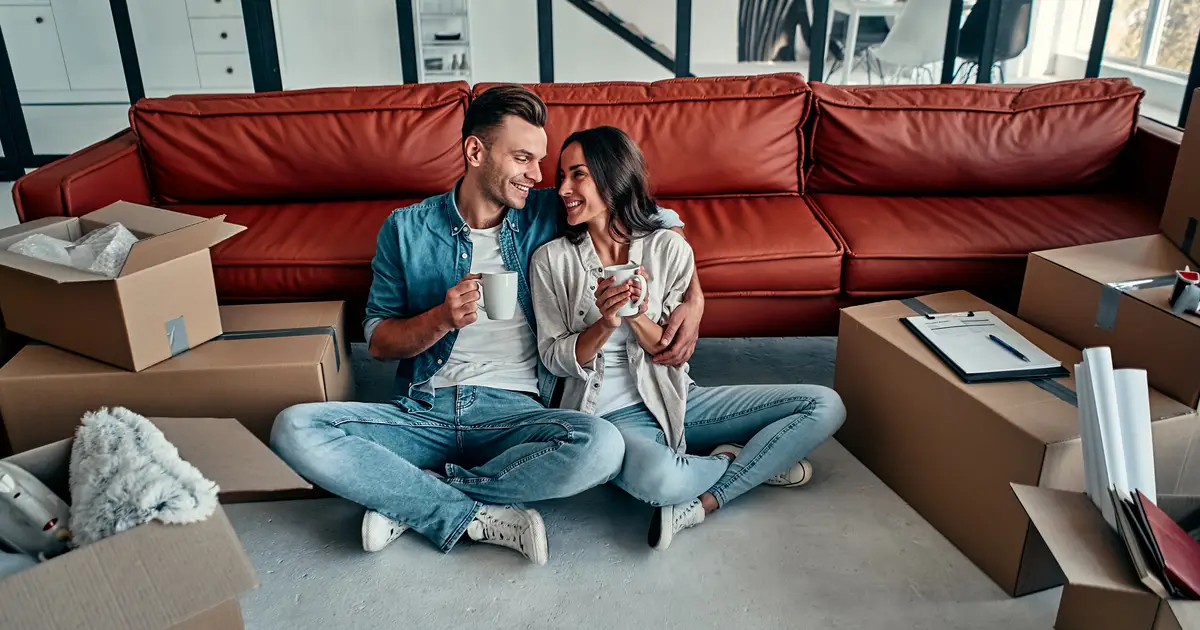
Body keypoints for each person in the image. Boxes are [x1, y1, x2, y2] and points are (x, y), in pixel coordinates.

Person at [269, 86, 705, 566]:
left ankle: (415, 498)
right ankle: (471, 512)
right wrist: (441, 318)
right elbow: (378, 342)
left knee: (601, 446)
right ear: (475, 151)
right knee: (295, 427)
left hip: (517, 414)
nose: (538, 176)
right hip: (426, 410)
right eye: (522, 158)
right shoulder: (406, 228)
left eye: (540, 162)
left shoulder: (545, 211)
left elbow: (648, 214)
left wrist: (696, 297)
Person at [530, 126, 846, 551]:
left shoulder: (668, 249)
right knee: (663, 481)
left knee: (824, 404)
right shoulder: (551, 260)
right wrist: (604, 323)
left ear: (612, 177)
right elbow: (553, 358)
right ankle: (738, 460)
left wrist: (636, 316)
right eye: (561, 176)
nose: (564, 188)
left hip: (676, 397)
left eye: (578, 175)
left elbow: (669, 351)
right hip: (611, 416)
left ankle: (705, 502)